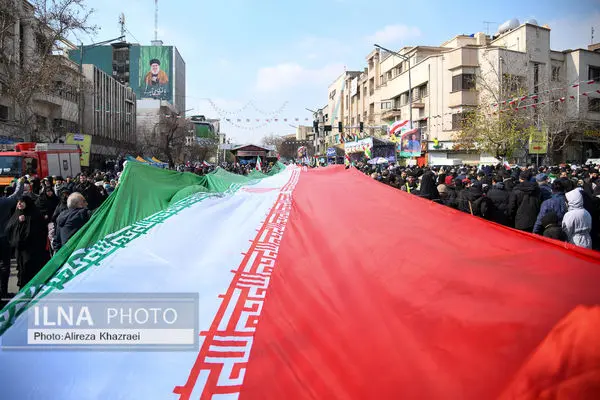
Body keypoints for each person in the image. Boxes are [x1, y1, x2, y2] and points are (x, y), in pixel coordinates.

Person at [5, 196, 49, 289]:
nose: (19, 204)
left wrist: (26, 223)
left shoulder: (35, 215)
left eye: (22, 202)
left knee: (30, 268)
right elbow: (9, 230)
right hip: (20, 249)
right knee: (22, 269)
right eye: (18, 202)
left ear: (27, 203)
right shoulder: (16, 215)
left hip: (33, 249)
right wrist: (19, 222)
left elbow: (40, 231)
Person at [0, 178, 24, 298]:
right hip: (3, 238)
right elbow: (17, 194)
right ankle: (3, 292)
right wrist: (20, 182)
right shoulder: (3, 202)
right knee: (5, 266)